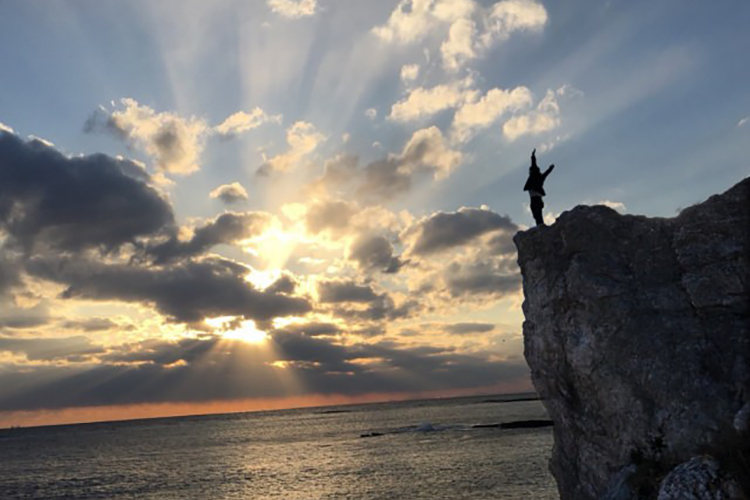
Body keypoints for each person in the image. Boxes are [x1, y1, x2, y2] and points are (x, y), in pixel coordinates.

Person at [523, 148, 555, 226]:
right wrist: (550, 169)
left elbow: (534, 165)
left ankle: (540, 226)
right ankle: (540, 225)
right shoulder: (536, 178)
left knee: (537, 214)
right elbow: (545, 173)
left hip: (536, 199)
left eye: (530, 171)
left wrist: (533, 157)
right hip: (535, 199)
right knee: (536, 214)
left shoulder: (535, 177)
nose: (529, 172)